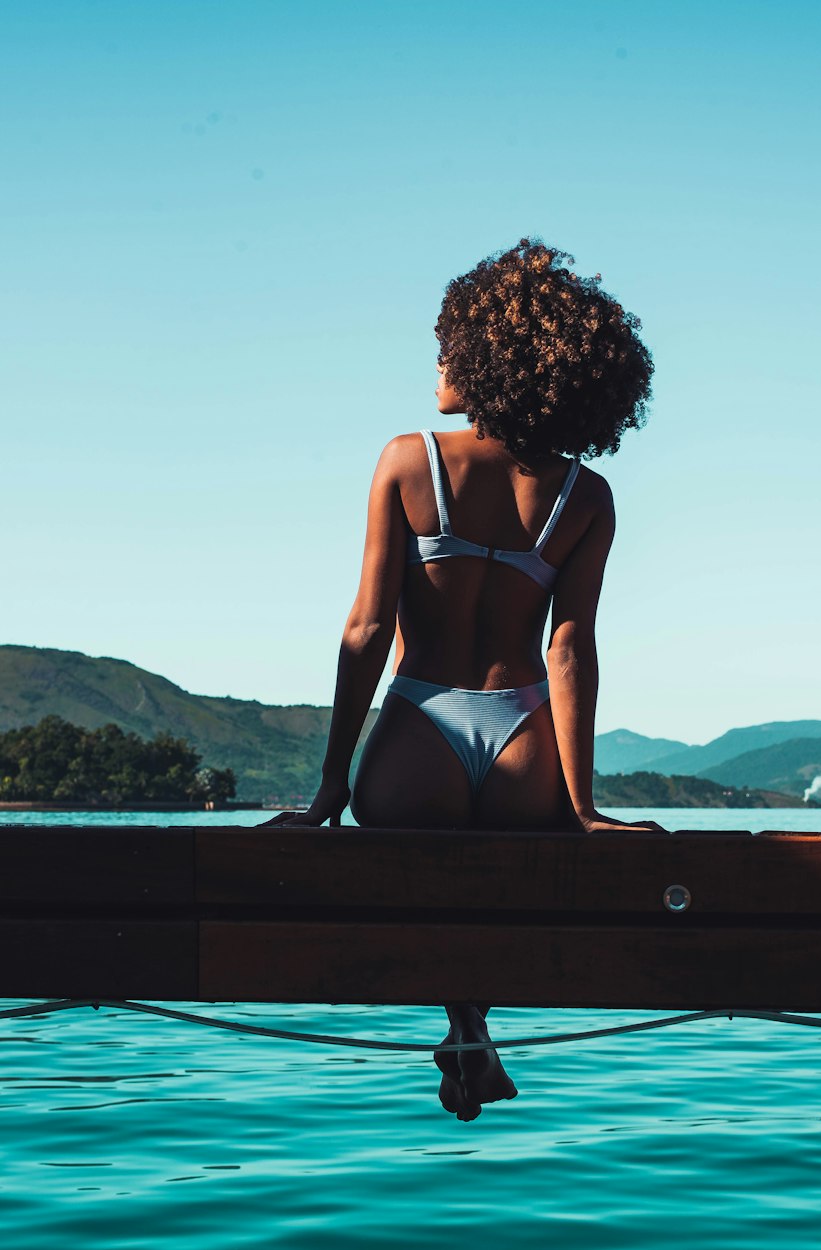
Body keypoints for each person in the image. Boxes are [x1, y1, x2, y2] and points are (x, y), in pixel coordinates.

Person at [264, 237, 661, 1119]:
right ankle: (474, 1025)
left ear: (490, 358)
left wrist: (330, 788)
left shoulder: (412, 461)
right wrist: (585, 808)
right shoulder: (583, 496)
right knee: (500, 878)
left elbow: (367, 630)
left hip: (422, 722)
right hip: (525, 736)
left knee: (433, 875)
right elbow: (568, 649)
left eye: (449, 343)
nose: (439, 361)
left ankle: (465, 1023)